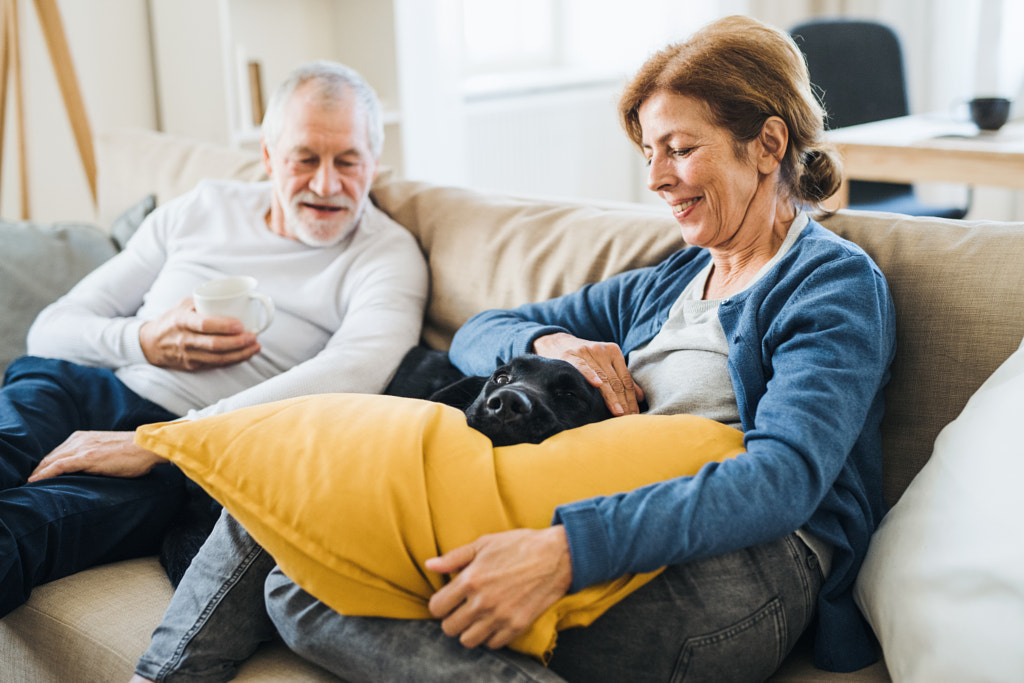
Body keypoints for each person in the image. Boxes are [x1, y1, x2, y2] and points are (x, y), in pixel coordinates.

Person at [131, 14, 895, 683]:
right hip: (601, 518)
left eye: (681, 149)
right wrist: (557, 342)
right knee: (300, 504)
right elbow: (479, 331)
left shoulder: (828, 284)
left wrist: (565, 549)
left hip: (744, 575)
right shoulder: (670, 281)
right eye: (650, 152)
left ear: (767, 143)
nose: (658, 178)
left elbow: (782, 479)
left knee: (304, 589)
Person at [0, 60, 428, 618]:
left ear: (373, 161)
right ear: (269, 157)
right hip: (86, 384)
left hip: (187, 454)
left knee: (22, 528)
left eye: (348, 161)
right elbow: (51, 329)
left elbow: (357, 370)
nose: (327, 184)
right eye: (305, 159)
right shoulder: (204, 208)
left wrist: (164, 442)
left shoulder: (386, 255)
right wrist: (145, 340)